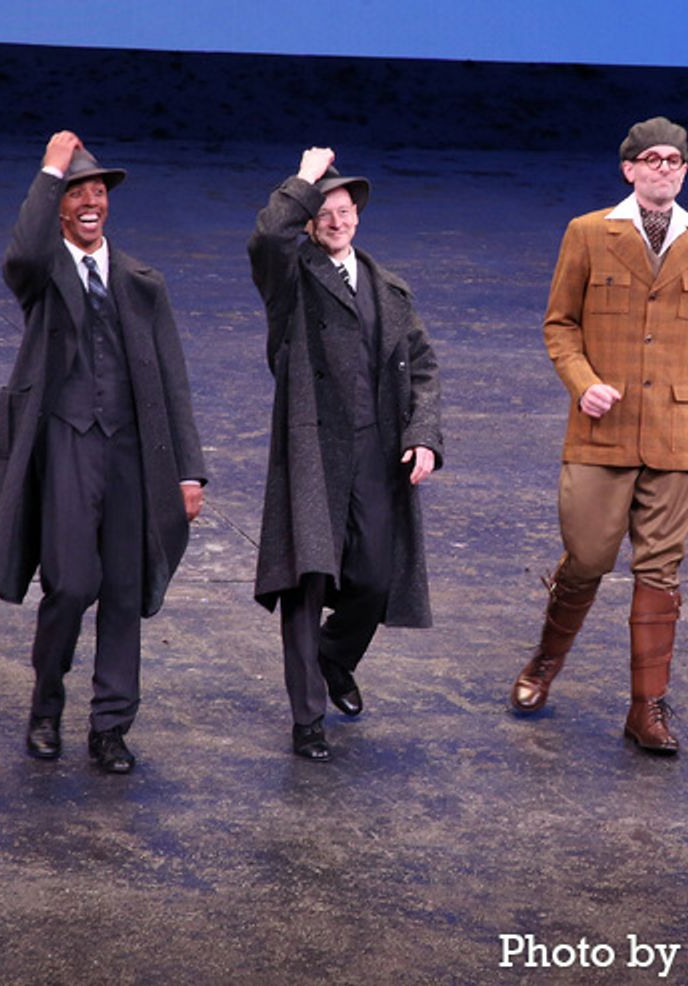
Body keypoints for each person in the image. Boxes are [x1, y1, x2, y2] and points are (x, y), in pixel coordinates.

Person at [510, 116, 688, 755]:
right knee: (587, 558)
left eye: (675, 160)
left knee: (660, 568)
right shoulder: (588, 233)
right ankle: (545, 662)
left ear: (685, 171)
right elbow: (558, 324)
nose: (665, 168)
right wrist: (583, 382)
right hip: (601, 430)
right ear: (628, 168)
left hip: (676, 431)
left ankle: (646, 709)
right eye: (653, 159)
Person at [0, 131, 206, 774]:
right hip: (66, 443)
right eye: (78, 192)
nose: (92, 201)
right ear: (61, 206)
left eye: (99, 191)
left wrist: (188, 470)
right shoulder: (43, 277)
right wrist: (50, 169)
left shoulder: (141, 283)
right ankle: (46, 705)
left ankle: (111, 727)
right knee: (71, 584)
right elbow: (22, 251)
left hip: (131, 456)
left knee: (124, 591)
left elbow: (172, 380)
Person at [248, 147, 443, 760]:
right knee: (307, 580)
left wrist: (423, 436)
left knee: (376, 577)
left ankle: (334, 656)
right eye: (324, 212)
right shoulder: (292, 279)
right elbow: (265, 239)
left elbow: (425, 369)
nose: (336, 221)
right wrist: (301, 179)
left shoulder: (388, 288)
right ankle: (307, 719)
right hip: (312, 447)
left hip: (375, 449)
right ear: (309, 219)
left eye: (345, 210)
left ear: (358, 215)